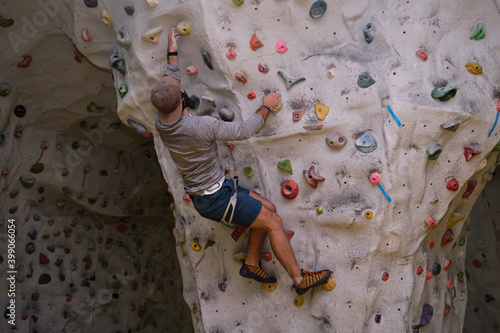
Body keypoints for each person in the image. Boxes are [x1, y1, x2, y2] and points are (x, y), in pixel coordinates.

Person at [152, 27, 331, 295]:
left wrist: (172, 46)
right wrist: (267, 105)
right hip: (216, 199)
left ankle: (250, 263)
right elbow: (244, 130)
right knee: (274, 222)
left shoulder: (162, 121)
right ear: (181, 98)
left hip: (213, 192)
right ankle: (300, 280)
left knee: (268, 208)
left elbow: (171, 80)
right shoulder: (200, 126)